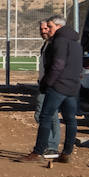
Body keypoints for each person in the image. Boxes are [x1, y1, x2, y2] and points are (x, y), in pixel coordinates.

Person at [19, 13, 81, 163]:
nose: (49, 29)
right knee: (70, 119)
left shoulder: (59, 41)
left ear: (59, 26)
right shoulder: (76, 43)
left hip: (58, 86)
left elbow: (57, 65)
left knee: (45, 117)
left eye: (51, 26)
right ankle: (66, 153)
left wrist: (47, 83)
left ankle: (37, 151)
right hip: (73, 87)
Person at [33, 18, 59, 158]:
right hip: (43, 84)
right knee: (44, 114)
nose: (43, 31)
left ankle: (51, 146)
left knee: (48, 115)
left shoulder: (55, 44)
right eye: (41, 29)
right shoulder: (46, 44)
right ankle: (47, 145)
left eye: (46, 28)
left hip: (51, 85)